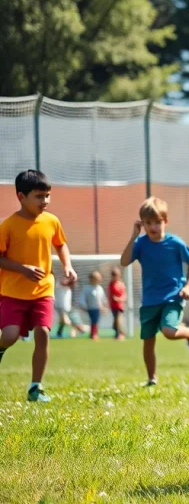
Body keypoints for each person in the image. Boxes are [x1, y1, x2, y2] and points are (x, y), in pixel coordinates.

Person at [0, 170, 77, 402]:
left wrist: (68, 266)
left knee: (43, 333)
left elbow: (61, 244)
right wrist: (22, 269)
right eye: (39, 196)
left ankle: (36, 387)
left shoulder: (52, 221)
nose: (45, 201)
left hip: (44, 289)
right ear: (21, 197)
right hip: (12, 291)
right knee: (10, 335)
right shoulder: (9, 226)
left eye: (48, 196)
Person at [120, 197, 189, 386]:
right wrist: (133, 237)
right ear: (142, 224)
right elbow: (124, 261)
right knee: (148, 341)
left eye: (158, 222)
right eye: (148, 223)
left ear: (165, 222)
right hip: (150, 300)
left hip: (173, 296)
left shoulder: (175, 243)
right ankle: (152, 378)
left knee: (169, 331)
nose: (153, 227)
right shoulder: (141, 244)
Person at [79, 270, 107, 340]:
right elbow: (82, 297)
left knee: (95, 321)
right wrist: (83, 305)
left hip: (97, 308)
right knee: (93, 321)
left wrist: (104, 306)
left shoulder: (100, 288)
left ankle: (94, 334)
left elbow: (103, 298)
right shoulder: (87, 288)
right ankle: (93, 334)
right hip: (89, 308)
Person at [108, 267, 127, 340]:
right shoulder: (111, 284)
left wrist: (120, 299)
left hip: (120, 306)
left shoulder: (121, 284)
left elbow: (124, 295)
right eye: (113, 275)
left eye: (116, 275)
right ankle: (118, 334)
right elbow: (110, 295)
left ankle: (121, 334)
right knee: (115, 321)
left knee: (119, 320)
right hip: (113, 306)